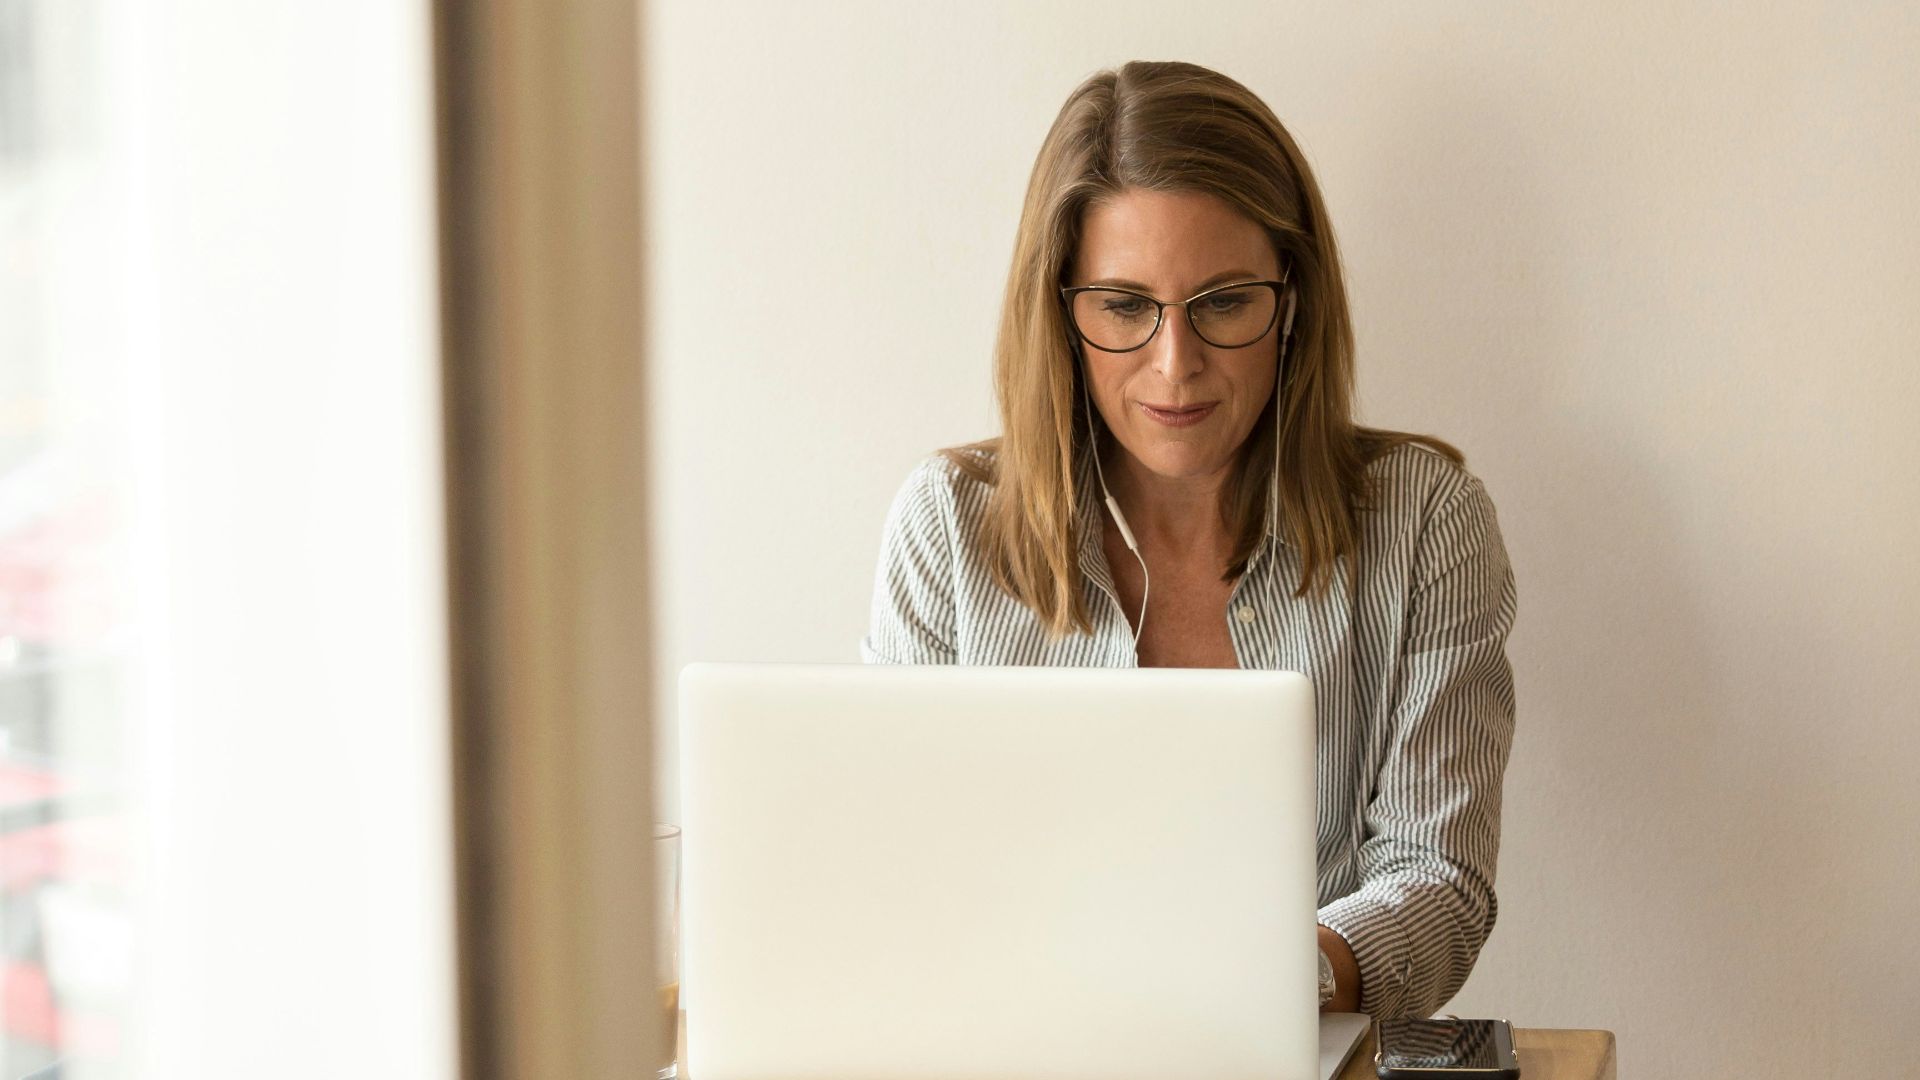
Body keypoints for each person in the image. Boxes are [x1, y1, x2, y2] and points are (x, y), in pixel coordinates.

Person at [859, 60, 1516, 1021]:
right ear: (1061, 313)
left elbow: (1440, 882)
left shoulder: (1424, 520)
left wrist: (1270, 982)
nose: (1176, 366)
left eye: (1222, 303)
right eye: (1125, 307)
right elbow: (894, 871)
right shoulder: (948, 526)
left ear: (1291, 299)